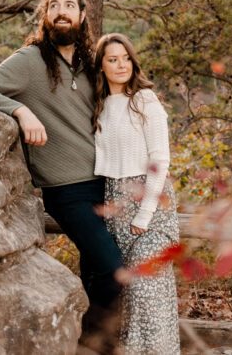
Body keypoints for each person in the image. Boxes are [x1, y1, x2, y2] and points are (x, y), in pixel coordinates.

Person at [0, 0, 122, 345]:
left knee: (97, 270)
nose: (62, 11)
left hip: (106, 184)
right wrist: (21, 111)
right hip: (67, 190)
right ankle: (92, 345)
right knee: (115, 271)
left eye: (70, 5)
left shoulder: (90, 64)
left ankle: (89, 343)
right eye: (54, 6)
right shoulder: (30, 60)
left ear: (82, 16)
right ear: (45, 15)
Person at [92, 33, 180, 355]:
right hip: (115, 203)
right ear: (101, 66)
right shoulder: (98, 105)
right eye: (112, 59)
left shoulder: (144, 100)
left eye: (126, 57)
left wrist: (145, 213)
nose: (121, 65)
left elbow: (160, 159)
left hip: (150, 205)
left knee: (148, 291)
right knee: (131, 296)